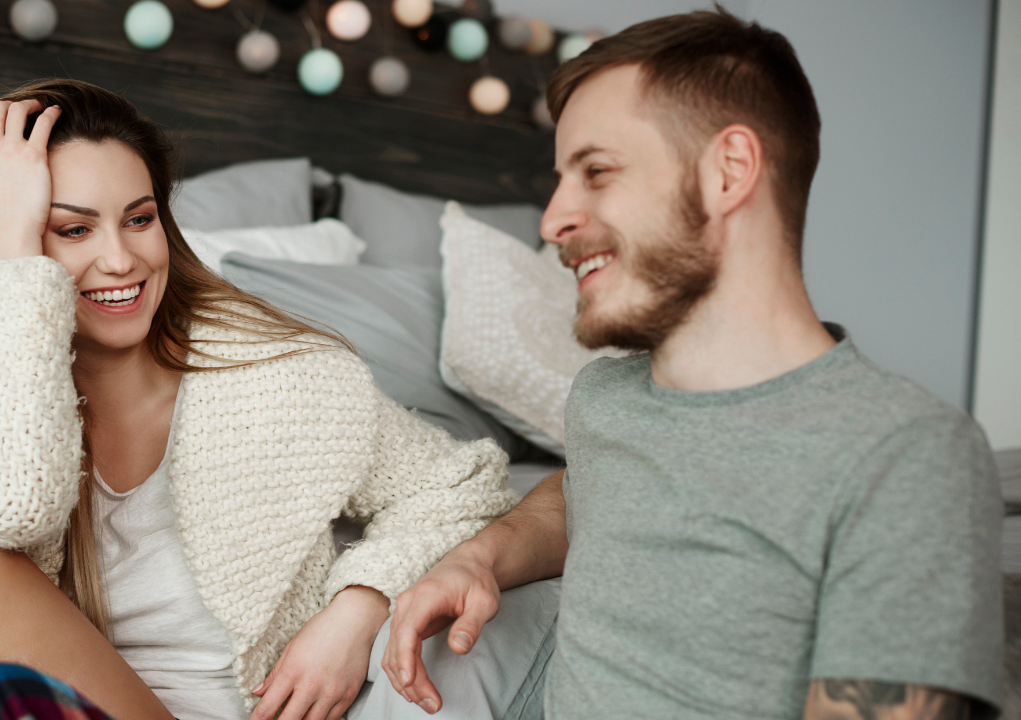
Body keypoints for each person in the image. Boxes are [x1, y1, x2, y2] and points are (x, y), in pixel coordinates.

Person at [0, 79, 525, 720]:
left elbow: (460, 486)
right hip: (57, 703)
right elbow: (9, 501)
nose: (121, 260)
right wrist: (10, 233)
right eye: (70, 228)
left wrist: (359, 605)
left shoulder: (285, 379)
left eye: (139, 218)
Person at [382, 8, 1004, 720]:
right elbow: (584, 488)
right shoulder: (604, 400)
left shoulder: (906, 455)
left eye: (597, 171)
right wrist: (479, 558)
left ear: (729, 171)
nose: (551, 219)